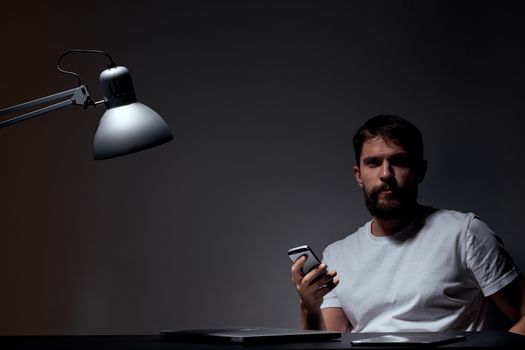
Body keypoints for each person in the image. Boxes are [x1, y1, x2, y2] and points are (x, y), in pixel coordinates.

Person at [291, 115, 525, 335]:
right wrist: (309, 306)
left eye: (399, 161)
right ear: (358, 175)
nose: (386, 174)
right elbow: (327, 345)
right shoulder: (337, 255)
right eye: (373, 163)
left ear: (419, 171)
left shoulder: (465, 234)